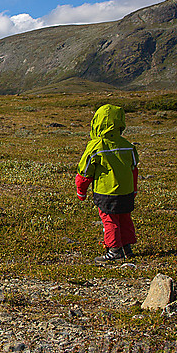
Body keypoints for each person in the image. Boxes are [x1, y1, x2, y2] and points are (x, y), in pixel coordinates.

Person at [75, 104, 139, 264]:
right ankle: (127, 248)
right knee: (124, 217)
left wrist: (81, 192)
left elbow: (84, 172)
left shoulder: (96, 146)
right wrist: (134, 190)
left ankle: (114, 250)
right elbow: (134, 170)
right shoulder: (128, 146)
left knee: (110, 220)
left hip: (106, 192)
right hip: (127, 191)